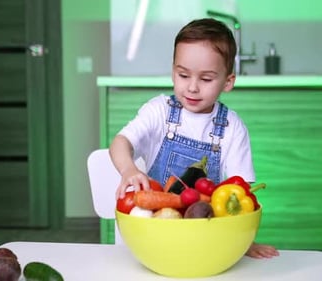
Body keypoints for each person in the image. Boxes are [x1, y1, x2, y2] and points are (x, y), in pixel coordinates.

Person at [109, 17, 279, 259]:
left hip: (208, 243)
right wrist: (128, 169)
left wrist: (244, 241)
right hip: (156, 238)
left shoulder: (232, 127)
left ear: (228, 81)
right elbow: (120, 143)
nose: (192, 87)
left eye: (206, 79)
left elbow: (240, 195)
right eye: (183, 75)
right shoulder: (159, 111)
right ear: (173, 72)